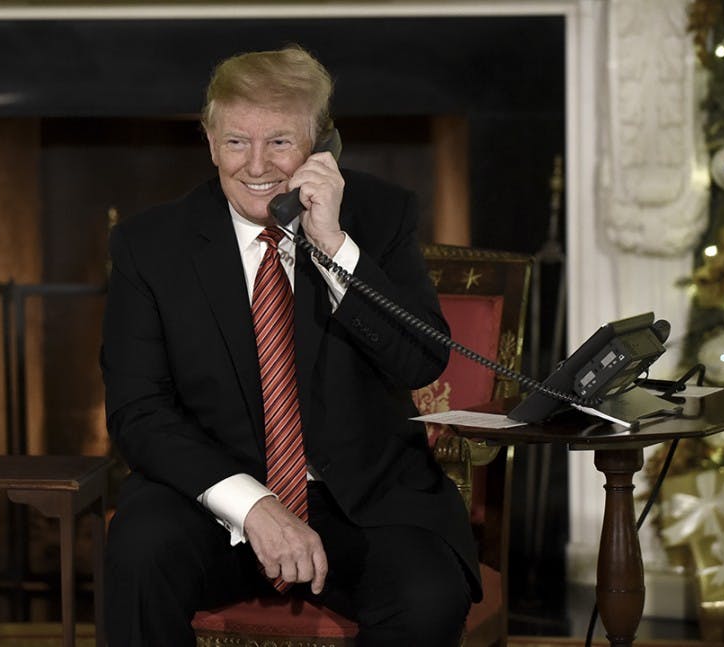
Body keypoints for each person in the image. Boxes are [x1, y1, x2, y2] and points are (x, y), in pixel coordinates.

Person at [101, 45, 481, 646]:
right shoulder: (149, 246)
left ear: (321, 146)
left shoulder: (380, 216)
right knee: (138, 552)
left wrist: (332, 244)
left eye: (279, 141)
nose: (256, 165)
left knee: (427, 595)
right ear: (210, 142)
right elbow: (138, 410)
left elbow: (420, 361)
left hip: (362, 497)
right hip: (216, 497)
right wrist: (252, 505)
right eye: (236, 141)